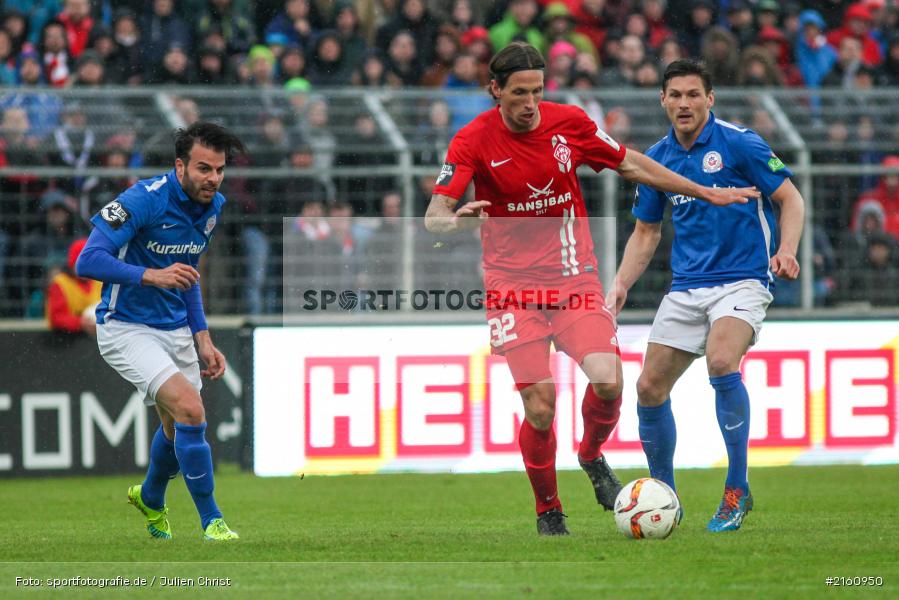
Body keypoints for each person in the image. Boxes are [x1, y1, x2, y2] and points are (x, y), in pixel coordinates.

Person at [424, 42, 758, 536]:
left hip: (573, 277)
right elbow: (434, 217)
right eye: (519, 93)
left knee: (609, 380)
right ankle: (549, 510)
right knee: (540, 405)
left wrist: (702, 189)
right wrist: (455, 222)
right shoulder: (471, 140)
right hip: (512, 288)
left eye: (537, 91)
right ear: (495, 91)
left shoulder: (569, 124)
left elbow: (632, 164)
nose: (530, 102)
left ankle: (590, 454)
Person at [607, 59, 805, 533]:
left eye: (693, 94)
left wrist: (787, 250)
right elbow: (646, 233)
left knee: (721, 361)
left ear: (709, 99)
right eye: (674, 95)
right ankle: (663, 497)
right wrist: (619, 284)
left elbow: (791, 198)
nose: (683, 103)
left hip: (743, 278)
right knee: (649, 388)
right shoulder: (658, 158)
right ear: (662, 101)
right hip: (686, 287)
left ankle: (736, 489)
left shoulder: (740, 142)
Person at [75, 122, 246, 541]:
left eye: (220, 170)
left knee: (175, 431)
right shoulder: (142, 200)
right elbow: (88, 260)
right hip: (125, 327)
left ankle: (150, 496)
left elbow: (186, 275)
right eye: (204, 168)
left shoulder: (213, 207)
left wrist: (202, 336)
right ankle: (213, 521)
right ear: (180, 165)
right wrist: (151, 275)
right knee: (191, 411)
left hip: (176, 330)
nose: (213, 179)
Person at [46, 238, 101, 335]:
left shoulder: (98, 281)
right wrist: (80, 323)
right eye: (81, 263)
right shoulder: (60, 284)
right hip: (66, 339)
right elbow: (56, 318)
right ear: (72, 263)